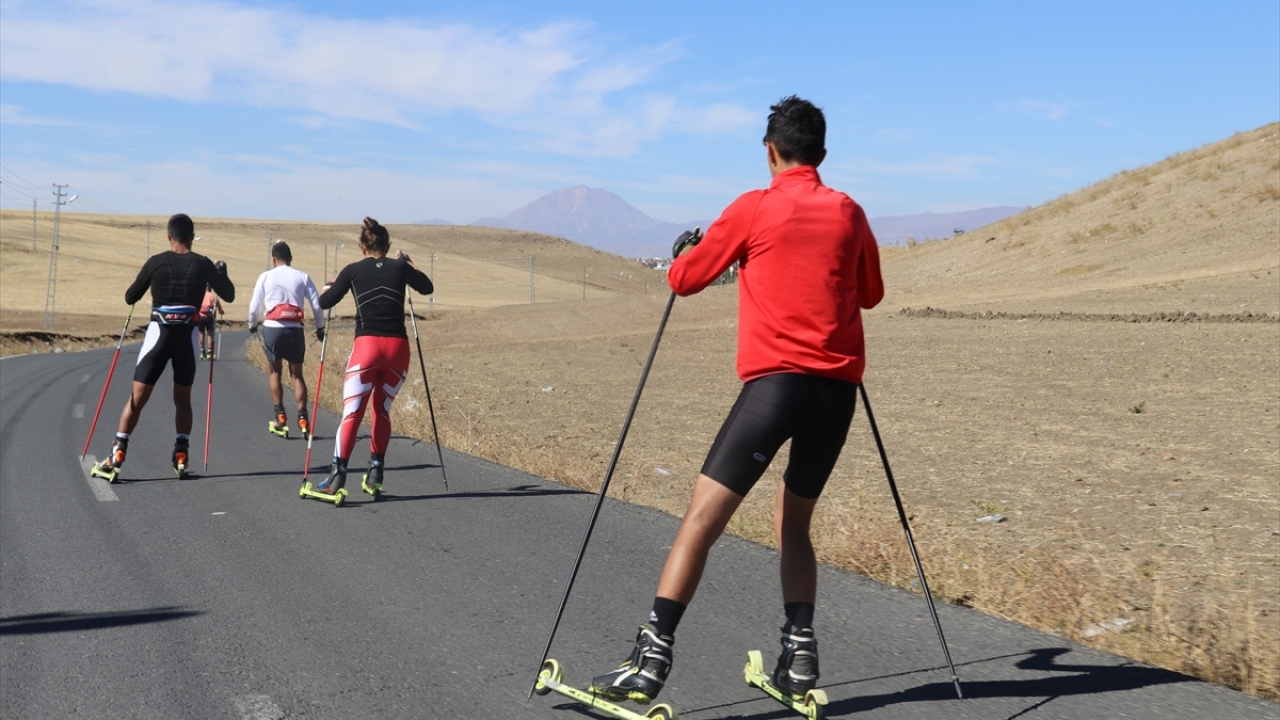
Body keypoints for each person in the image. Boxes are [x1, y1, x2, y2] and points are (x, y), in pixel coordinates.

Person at [589, 96, 884, 705]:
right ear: (822, 154)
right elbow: (871, 294)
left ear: (769, 151)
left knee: (701, 521)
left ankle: (648, 665)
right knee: (794, 524)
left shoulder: (754, 207)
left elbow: (685, 279)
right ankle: (799, 660)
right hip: (836, 395)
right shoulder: (849, 212)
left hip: (775, 388)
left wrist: (684, 251)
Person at [91, 213, 236, 481]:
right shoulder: (203, 264)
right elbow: (228, 294)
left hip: (158, 336)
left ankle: (117, 454)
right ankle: (181, 452)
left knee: (136, 400)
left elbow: (130, 297)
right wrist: (220, 273)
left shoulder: (156, 262)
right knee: (183, 400)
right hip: (187, 339)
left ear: (169, 236)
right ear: (192, 237)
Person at [313, 217, 433, 498]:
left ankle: (336, 477)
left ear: (362, 247)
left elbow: (323, 302)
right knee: (382, 410)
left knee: (353, 412)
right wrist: (409, 264)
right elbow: (427, 288)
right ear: (388, 246)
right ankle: (376, 472)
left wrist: (332, 284)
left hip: (366, 349)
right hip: (397, 350)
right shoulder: (401, 267)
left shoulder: (353, 270)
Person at [248, 241, 326, 439]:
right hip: (295, 329)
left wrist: (252, 324)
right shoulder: (302, 276)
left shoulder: (266, 276)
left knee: (275, 372)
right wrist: (319, 328)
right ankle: (303, 418)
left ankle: (280, 417)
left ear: (274, 259)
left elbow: (254, 306)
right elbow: (316, 306)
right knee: (296, 375)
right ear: (290, 259)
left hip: (273, 328)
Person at [198, 284, 223, 360]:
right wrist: (221, 312)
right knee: (209, 334)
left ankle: (202, 352)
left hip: (201, 317)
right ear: (210, 288)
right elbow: (219, 308)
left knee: (201, 333)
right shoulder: (213, 296)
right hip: (209, 318)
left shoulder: (200, 295)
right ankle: (209, 352)